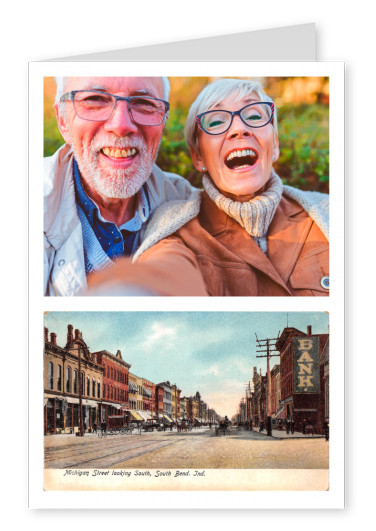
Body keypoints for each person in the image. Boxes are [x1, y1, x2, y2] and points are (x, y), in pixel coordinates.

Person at [88, 78, 329, 296]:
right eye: (216, 121)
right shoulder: (176, 229)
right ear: (198, 157)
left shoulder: (328, 213)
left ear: (274, 144)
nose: (239, 129)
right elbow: (165, 271)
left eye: (254, 116)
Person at [44, 76, 198, 296]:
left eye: (144, 103)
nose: (121, 125)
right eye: (95, 99)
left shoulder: (187, 204)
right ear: (62, 120)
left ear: (163, 121)